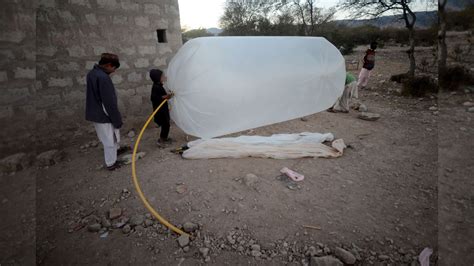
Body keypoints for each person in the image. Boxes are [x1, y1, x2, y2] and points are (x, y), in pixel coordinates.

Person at [85, 53, 125, 171]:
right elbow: (108, 103)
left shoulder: (92, 73)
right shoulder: (103, 78)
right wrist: (117, 120)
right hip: (103, 115)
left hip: (95, 113)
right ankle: (111, 163)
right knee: (110, 139)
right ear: (108, 65)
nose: (114, 71)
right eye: (114, 68)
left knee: (107, 137)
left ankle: (115, 152)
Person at [150, 69, 174, 144]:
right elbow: (155, 98)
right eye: (162, 76)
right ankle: (162, 140)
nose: (164, 77)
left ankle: (164, 138)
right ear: (158, 78)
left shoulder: (159, 85)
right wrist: (166, 96)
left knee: (166, 124)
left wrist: (168, 96)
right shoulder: (156, 87)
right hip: (160, 111)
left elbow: (164, 96)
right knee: (165, 124)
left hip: (163, 109)